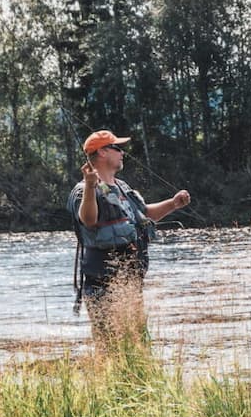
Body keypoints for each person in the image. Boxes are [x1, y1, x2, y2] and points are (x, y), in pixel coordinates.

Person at [67, 129, 191, 346]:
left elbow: (145, 214)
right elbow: (88, 219)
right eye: (118, 148)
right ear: (103, 152)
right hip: (103, 285)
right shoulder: (82, 191)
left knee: (139, 344)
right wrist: (89, 186)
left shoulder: (122, 187)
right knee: (110, 347)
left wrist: (173, 203)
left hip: (131, 284)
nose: (122, 153)